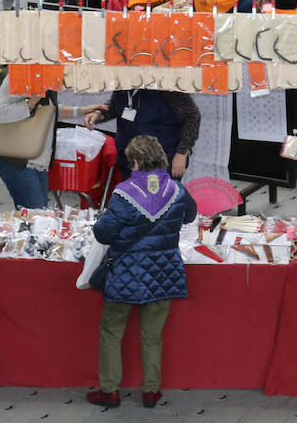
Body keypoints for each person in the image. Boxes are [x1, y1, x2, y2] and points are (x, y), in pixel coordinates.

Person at [87, 135, 198, 410]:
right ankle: (151, 390)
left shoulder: (123, 193)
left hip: (125, 272)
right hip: (164, 271)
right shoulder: (177, 190)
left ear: (135, 162)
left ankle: (110, 391)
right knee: (152, 336)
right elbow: (190, 216)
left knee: (111, 331)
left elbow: (103, 233)